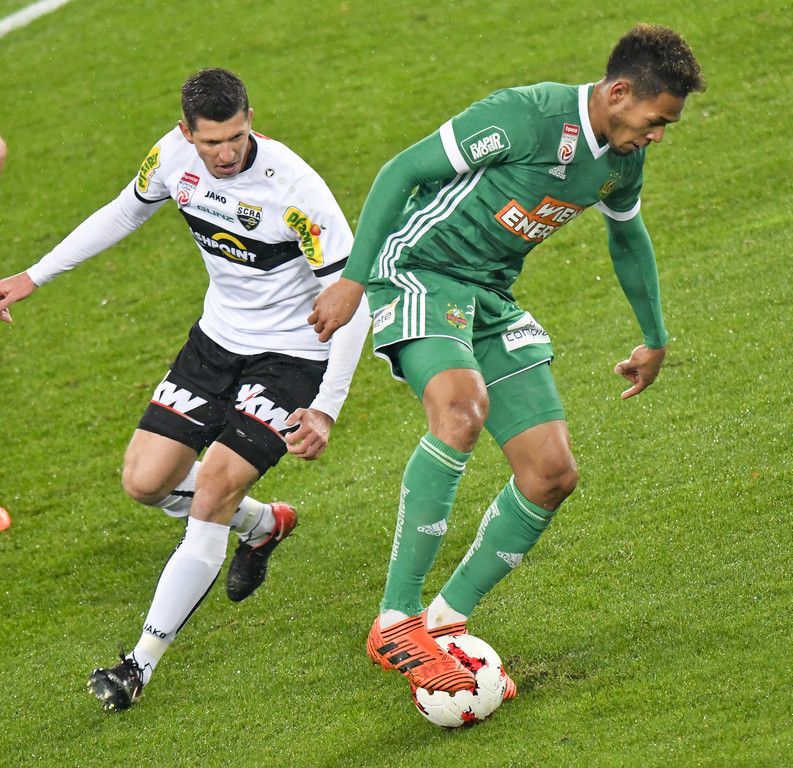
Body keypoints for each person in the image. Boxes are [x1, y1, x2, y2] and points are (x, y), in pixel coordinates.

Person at [309, 24, 705, 696]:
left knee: (551, 473)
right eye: (657, 120)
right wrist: (352, 278)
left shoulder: (620, 160)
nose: (658, 136)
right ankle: (396, 620)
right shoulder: (525, 116)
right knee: (460, 412)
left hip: (488, 296)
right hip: (419, 271)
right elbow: (402, 171)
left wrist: (654, 336)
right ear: (618, 93)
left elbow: (627, 238)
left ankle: (445, 622)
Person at [0, 68, 370, 710]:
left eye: (236, 137)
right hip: (215, 343)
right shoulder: (172, 159)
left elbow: (351, 299)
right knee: (145, 483)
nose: (225, 154)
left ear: (251, 121)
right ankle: (263, 525)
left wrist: (326, 408)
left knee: (216, 487)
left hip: (291, 356)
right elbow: (125, 210)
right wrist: (35, 276)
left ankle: (137, 666)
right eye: (211, 142)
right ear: (186, 133)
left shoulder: (294, 189)